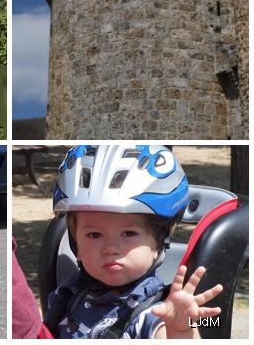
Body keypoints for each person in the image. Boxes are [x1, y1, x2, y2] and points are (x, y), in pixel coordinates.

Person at [41, 145, 223, 339]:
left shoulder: (153, 312)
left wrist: (181, 329)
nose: (110, 249)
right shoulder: (70, 293)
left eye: (128, 233)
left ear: (159, 242)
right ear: (75, 242)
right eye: (94, 235)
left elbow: (171, 330)